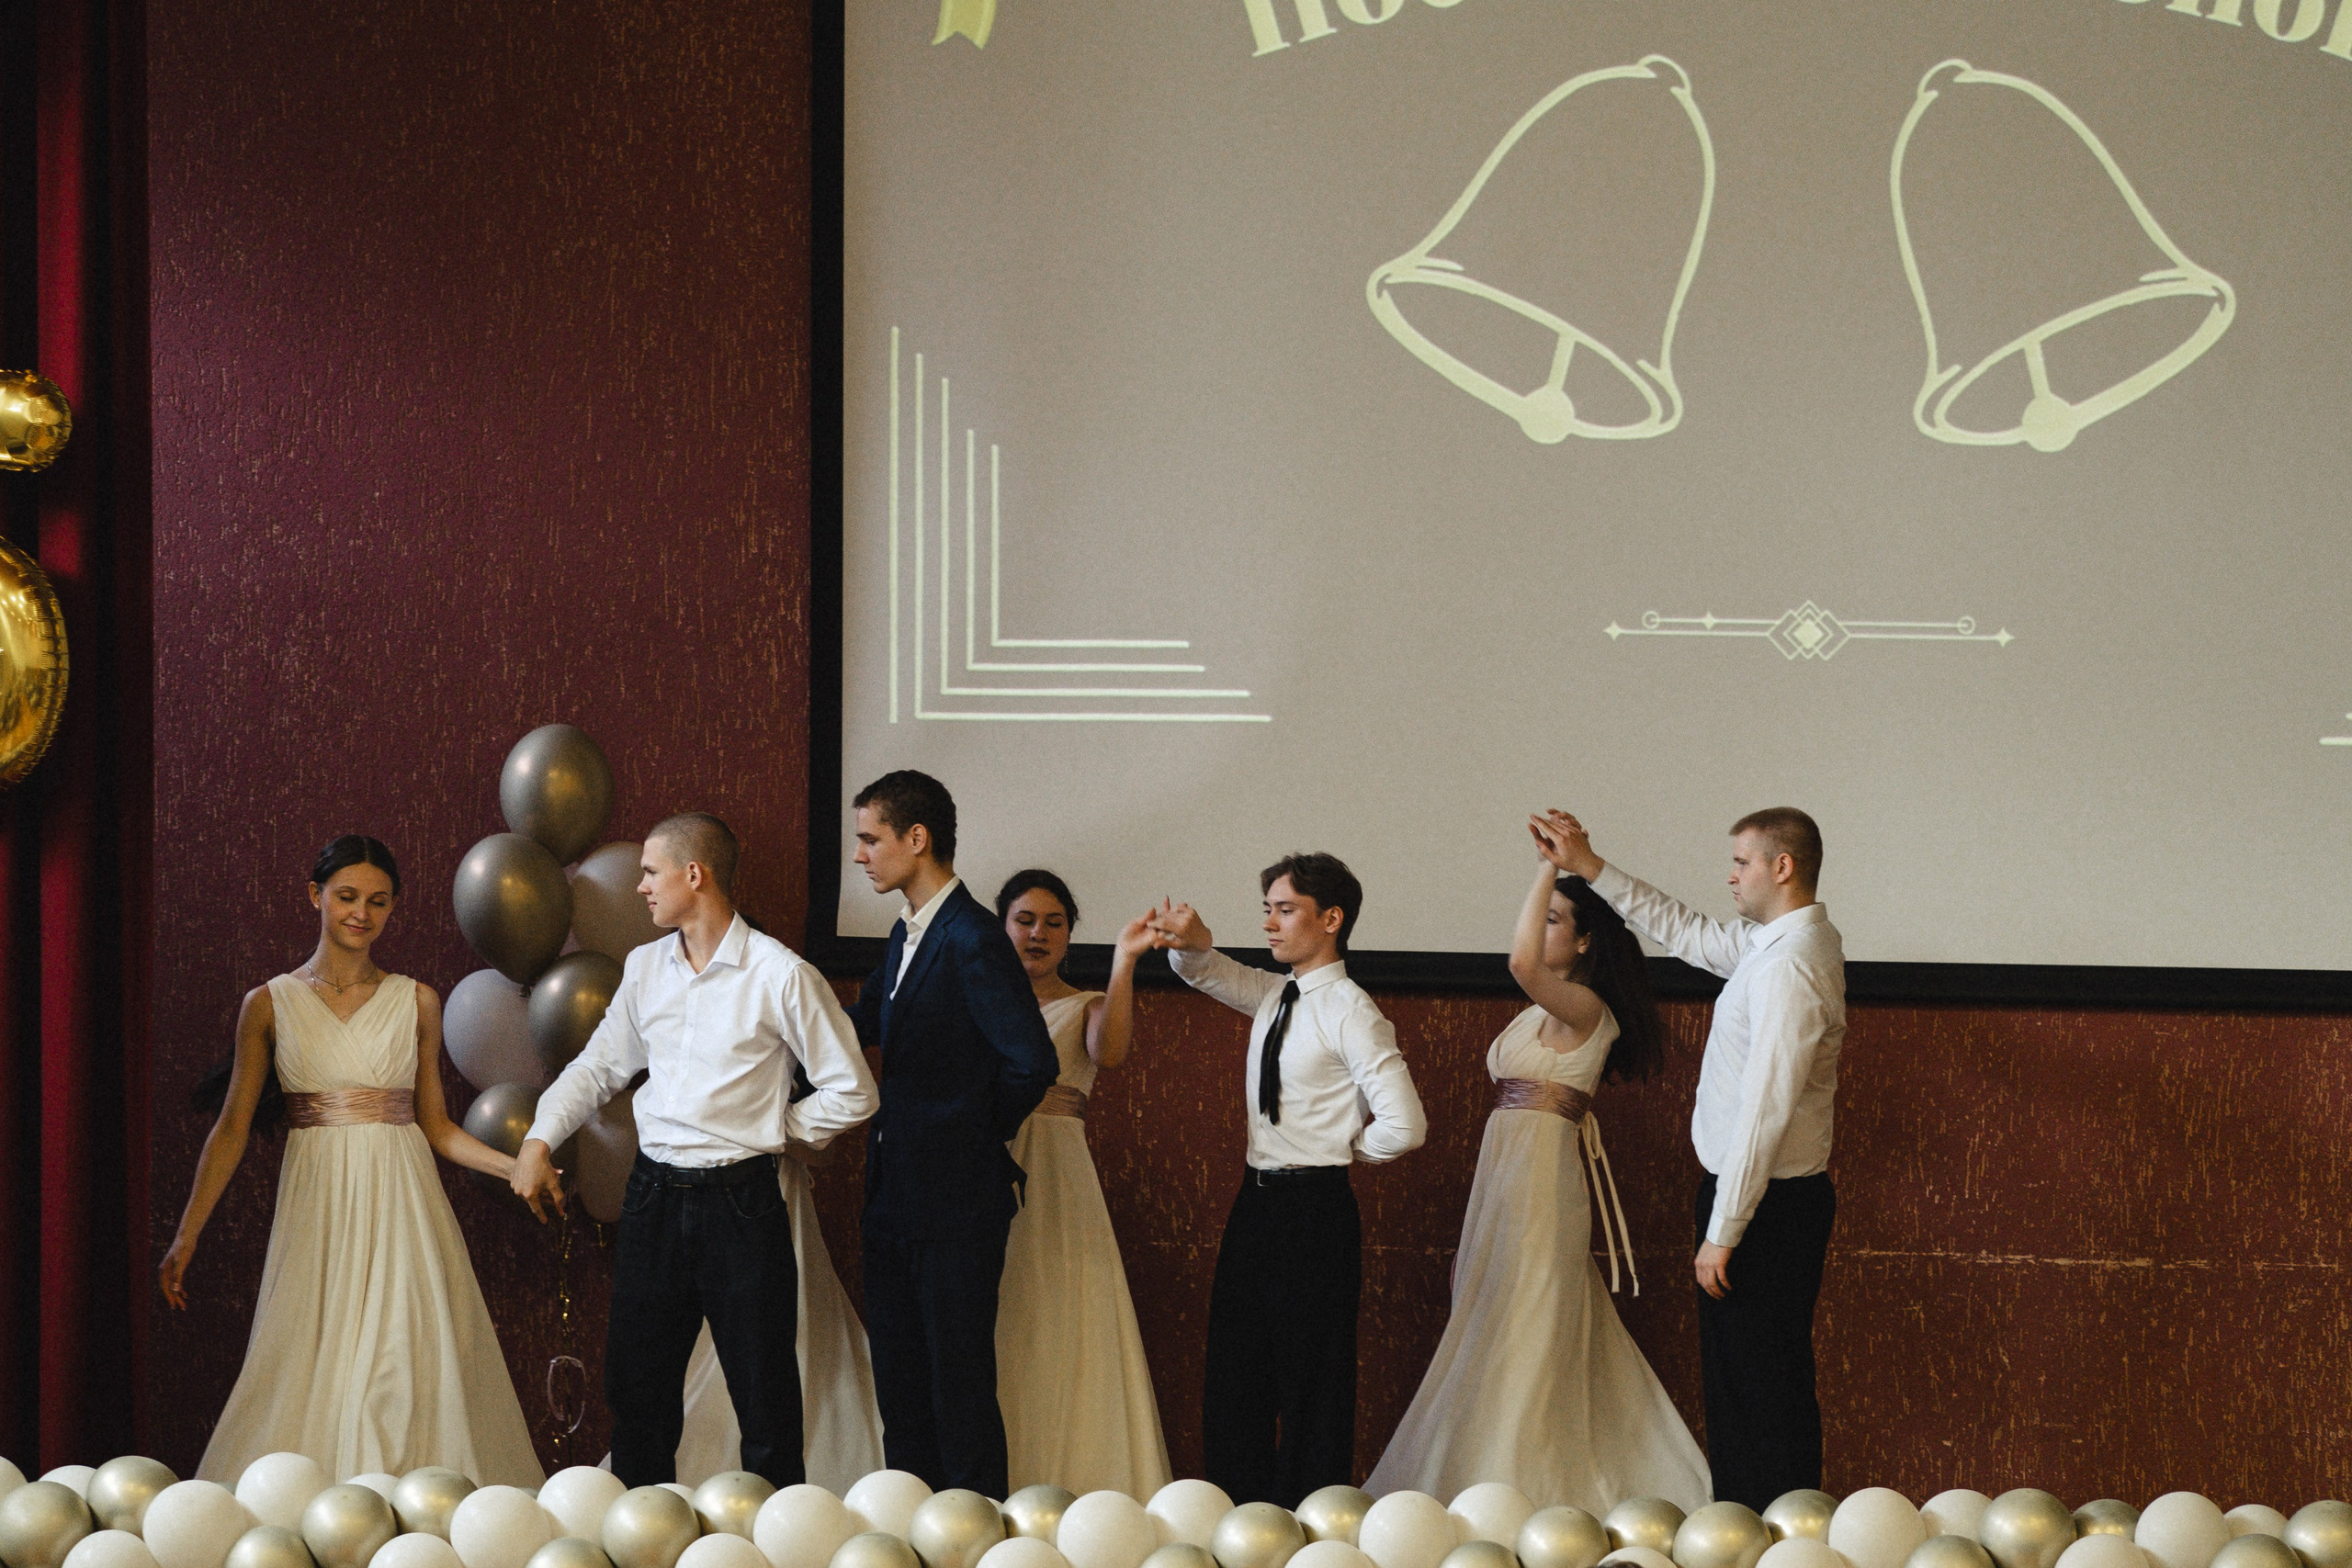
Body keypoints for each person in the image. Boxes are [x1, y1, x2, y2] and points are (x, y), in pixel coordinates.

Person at [162, 834, 543, 1486]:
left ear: (393, 909)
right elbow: (230, 1129)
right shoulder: (268, 1004)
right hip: (318, 1211)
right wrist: (187, 1233)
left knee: (398, 1371)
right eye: (346, 897)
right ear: (315, 896)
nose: (361, 913)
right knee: (315, 1364)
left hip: (402, 1207)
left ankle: (403, 1524)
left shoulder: (417, 1000)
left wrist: (515, 1167)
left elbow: (438, 1126)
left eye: (378, 901)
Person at [514, 813, 877, 1488]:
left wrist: (774, 1126)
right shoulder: (644, 966)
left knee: (765, 1397)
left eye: (650, 872)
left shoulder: (781, 973)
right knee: (638, 1392)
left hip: (742, 1202)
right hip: (652, 1195)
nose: (640, 887)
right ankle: (643, 1544)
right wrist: (539, 1138)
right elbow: (597, 1068)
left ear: (694, 874)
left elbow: (854, 1091)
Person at [1364, 832, 1708, 1511]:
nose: (1540, 927)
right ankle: (1478, 1474)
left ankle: (1513, 1486)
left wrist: (1552, 863)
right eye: (1542, 913)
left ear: (1584, 943)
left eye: (1556, 918)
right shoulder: (1539, 1012)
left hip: (1544, 1184)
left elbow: (1522, 962)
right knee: (1498, 1311)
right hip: (1503, 1178)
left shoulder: (1589, 1011)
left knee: (1531, 1316)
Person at [1538, 805, 1845, 1512]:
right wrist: (1589, 865)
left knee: (1760, 1389)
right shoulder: (1777, 943)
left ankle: (1775, 1538)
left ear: (1783, 866)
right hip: (1760, 1202)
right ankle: (1758, 1530)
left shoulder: (1792, 964)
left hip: (1764, 1206)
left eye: (1741, 861)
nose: (1730, 874)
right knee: (1750, 1386)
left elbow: (1765, 1110)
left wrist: (1724, 1230)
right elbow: (1690, 931)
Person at [1148, 852, 1427, 1507]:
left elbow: (1406, 1124)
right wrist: (1190, 944)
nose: (1270, 923)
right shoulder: (1277, 993)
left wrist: (1344, 1148)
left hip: (1317, 1206)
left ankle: (1310, 1528)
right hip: (1256, 1203)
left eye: (1286, 909)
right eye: (1267, 908)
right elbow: (1208, 972)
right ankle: (1236, 1519)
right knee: (1237, 1369)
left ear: (1331, 919)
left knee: (1313, 1381)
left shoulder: (1353, 1010)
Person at [849, 771, 1059, 1496]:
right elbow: (857, 1029)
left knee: (958, 1388)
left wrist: (965, 1136)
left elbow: (1033, 1061)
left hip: (956, 1202)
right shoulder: (905, 931)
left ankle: (974, 1541)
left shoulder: (972, 936)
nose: (859, 855)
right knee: (901, 1389)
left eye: (870, 838)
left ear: (917, 838)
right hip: (892, 1199)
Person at [991, 869, 1172, 1496]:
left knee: (1061, 1307)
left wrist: (1125, 962)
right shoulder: (975, 996)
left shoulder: (1089, 1002)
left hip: (1056, 1165)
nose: (1037, 933)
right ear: (1001, 926)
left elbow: (1112, 1052)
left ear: (1070, 934)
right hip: (980, 1162)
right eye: (1024, 919)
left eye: (1053, 922)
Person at [627, 1141, 887, 1491]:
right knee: (653, 1378)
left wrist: (758, 1125)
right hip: (690, 1196)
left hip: (763, 1196)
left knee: (768, 1376)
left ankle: (776, 1502)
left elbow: (826, 1151)